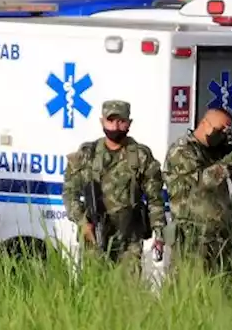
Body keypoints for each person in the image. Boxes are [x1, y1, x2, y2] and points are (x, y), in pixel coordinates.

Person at [63, 100, 166, 274]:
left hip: (129, 239)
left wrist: (159, 233)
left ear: (129, 123)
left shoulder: (140, 156)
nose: (115, 126)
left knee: (127, 293)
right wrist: (83, 223)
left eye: (121, 122)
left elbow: (155, 198)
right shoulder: (88, 154)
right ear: (102, 122)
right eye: (110, 121)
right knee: (94, 290)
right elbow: (69, 193)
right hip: (94, 235)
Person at [164, 108, 232, 277]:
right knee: (190, 290)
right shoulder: (182, 150)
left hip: (220, 238)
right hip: (193, 239)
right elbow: (201, 182)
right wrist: (231, 159)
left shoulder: (215, 151)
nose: (221, 135)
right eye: (219, 129)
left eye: (226, 131)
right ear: (204, 123)